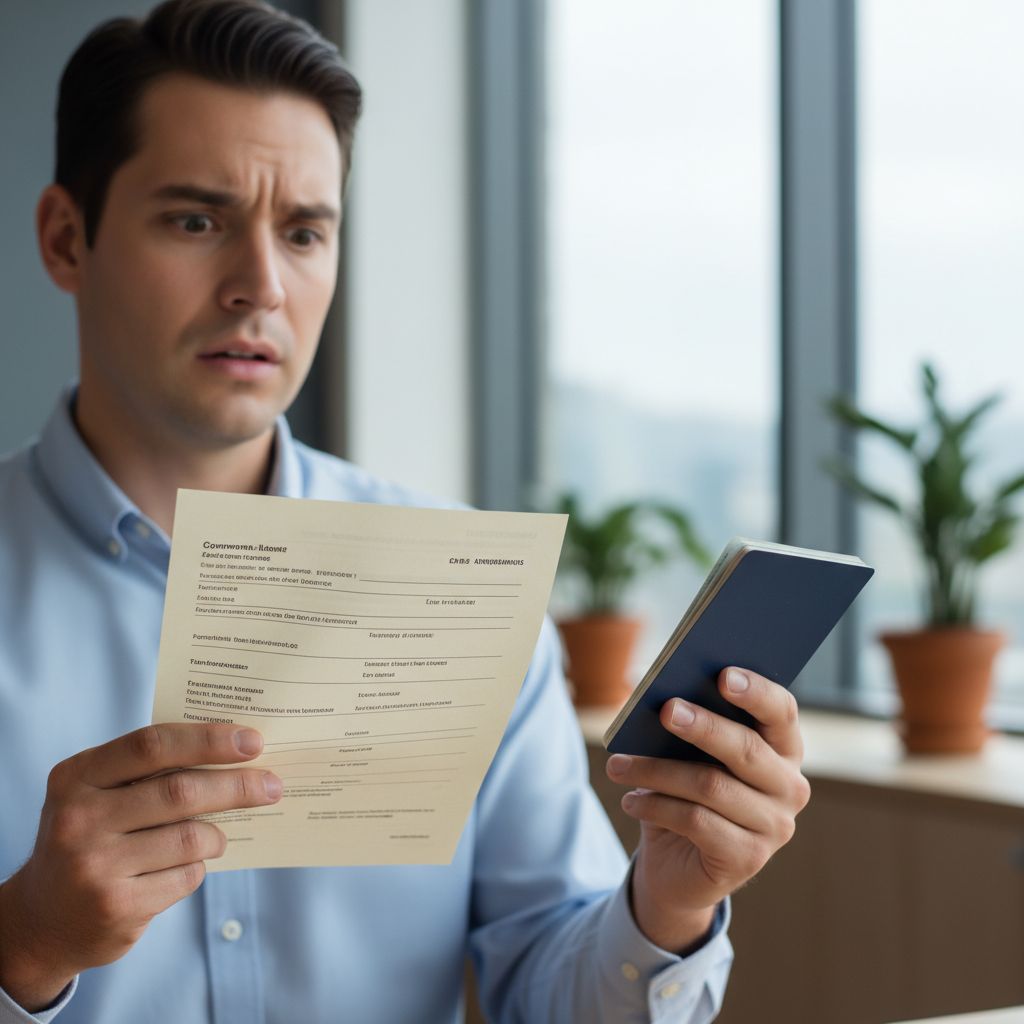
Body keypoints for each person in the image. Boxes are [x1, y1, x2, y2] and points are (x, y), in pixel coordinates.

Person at [0, 2, 810, 1022]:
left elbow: (544, 993)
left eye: (303, 232)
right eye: (197, 220)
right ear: (67, 240)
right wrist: (20, 942)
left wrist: (667, 907)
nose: (261, 286)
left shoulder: (459, 593)